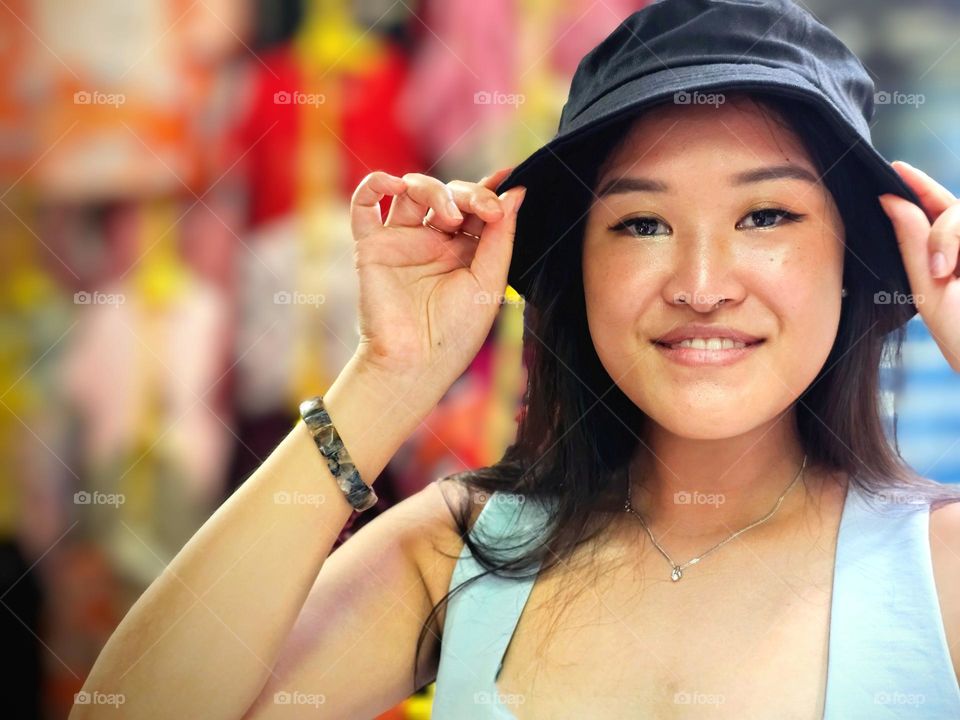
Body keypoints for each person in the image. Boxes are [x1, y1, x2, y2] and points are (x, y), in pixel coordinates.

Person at [73, 1, 960, 718]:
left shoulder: (936, 565)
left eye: (765, 216)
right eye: (641, 223)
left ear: (854, 258)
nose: (700, 284)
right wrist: (391, 374)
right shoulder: (463, 551)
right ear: (578, 267)